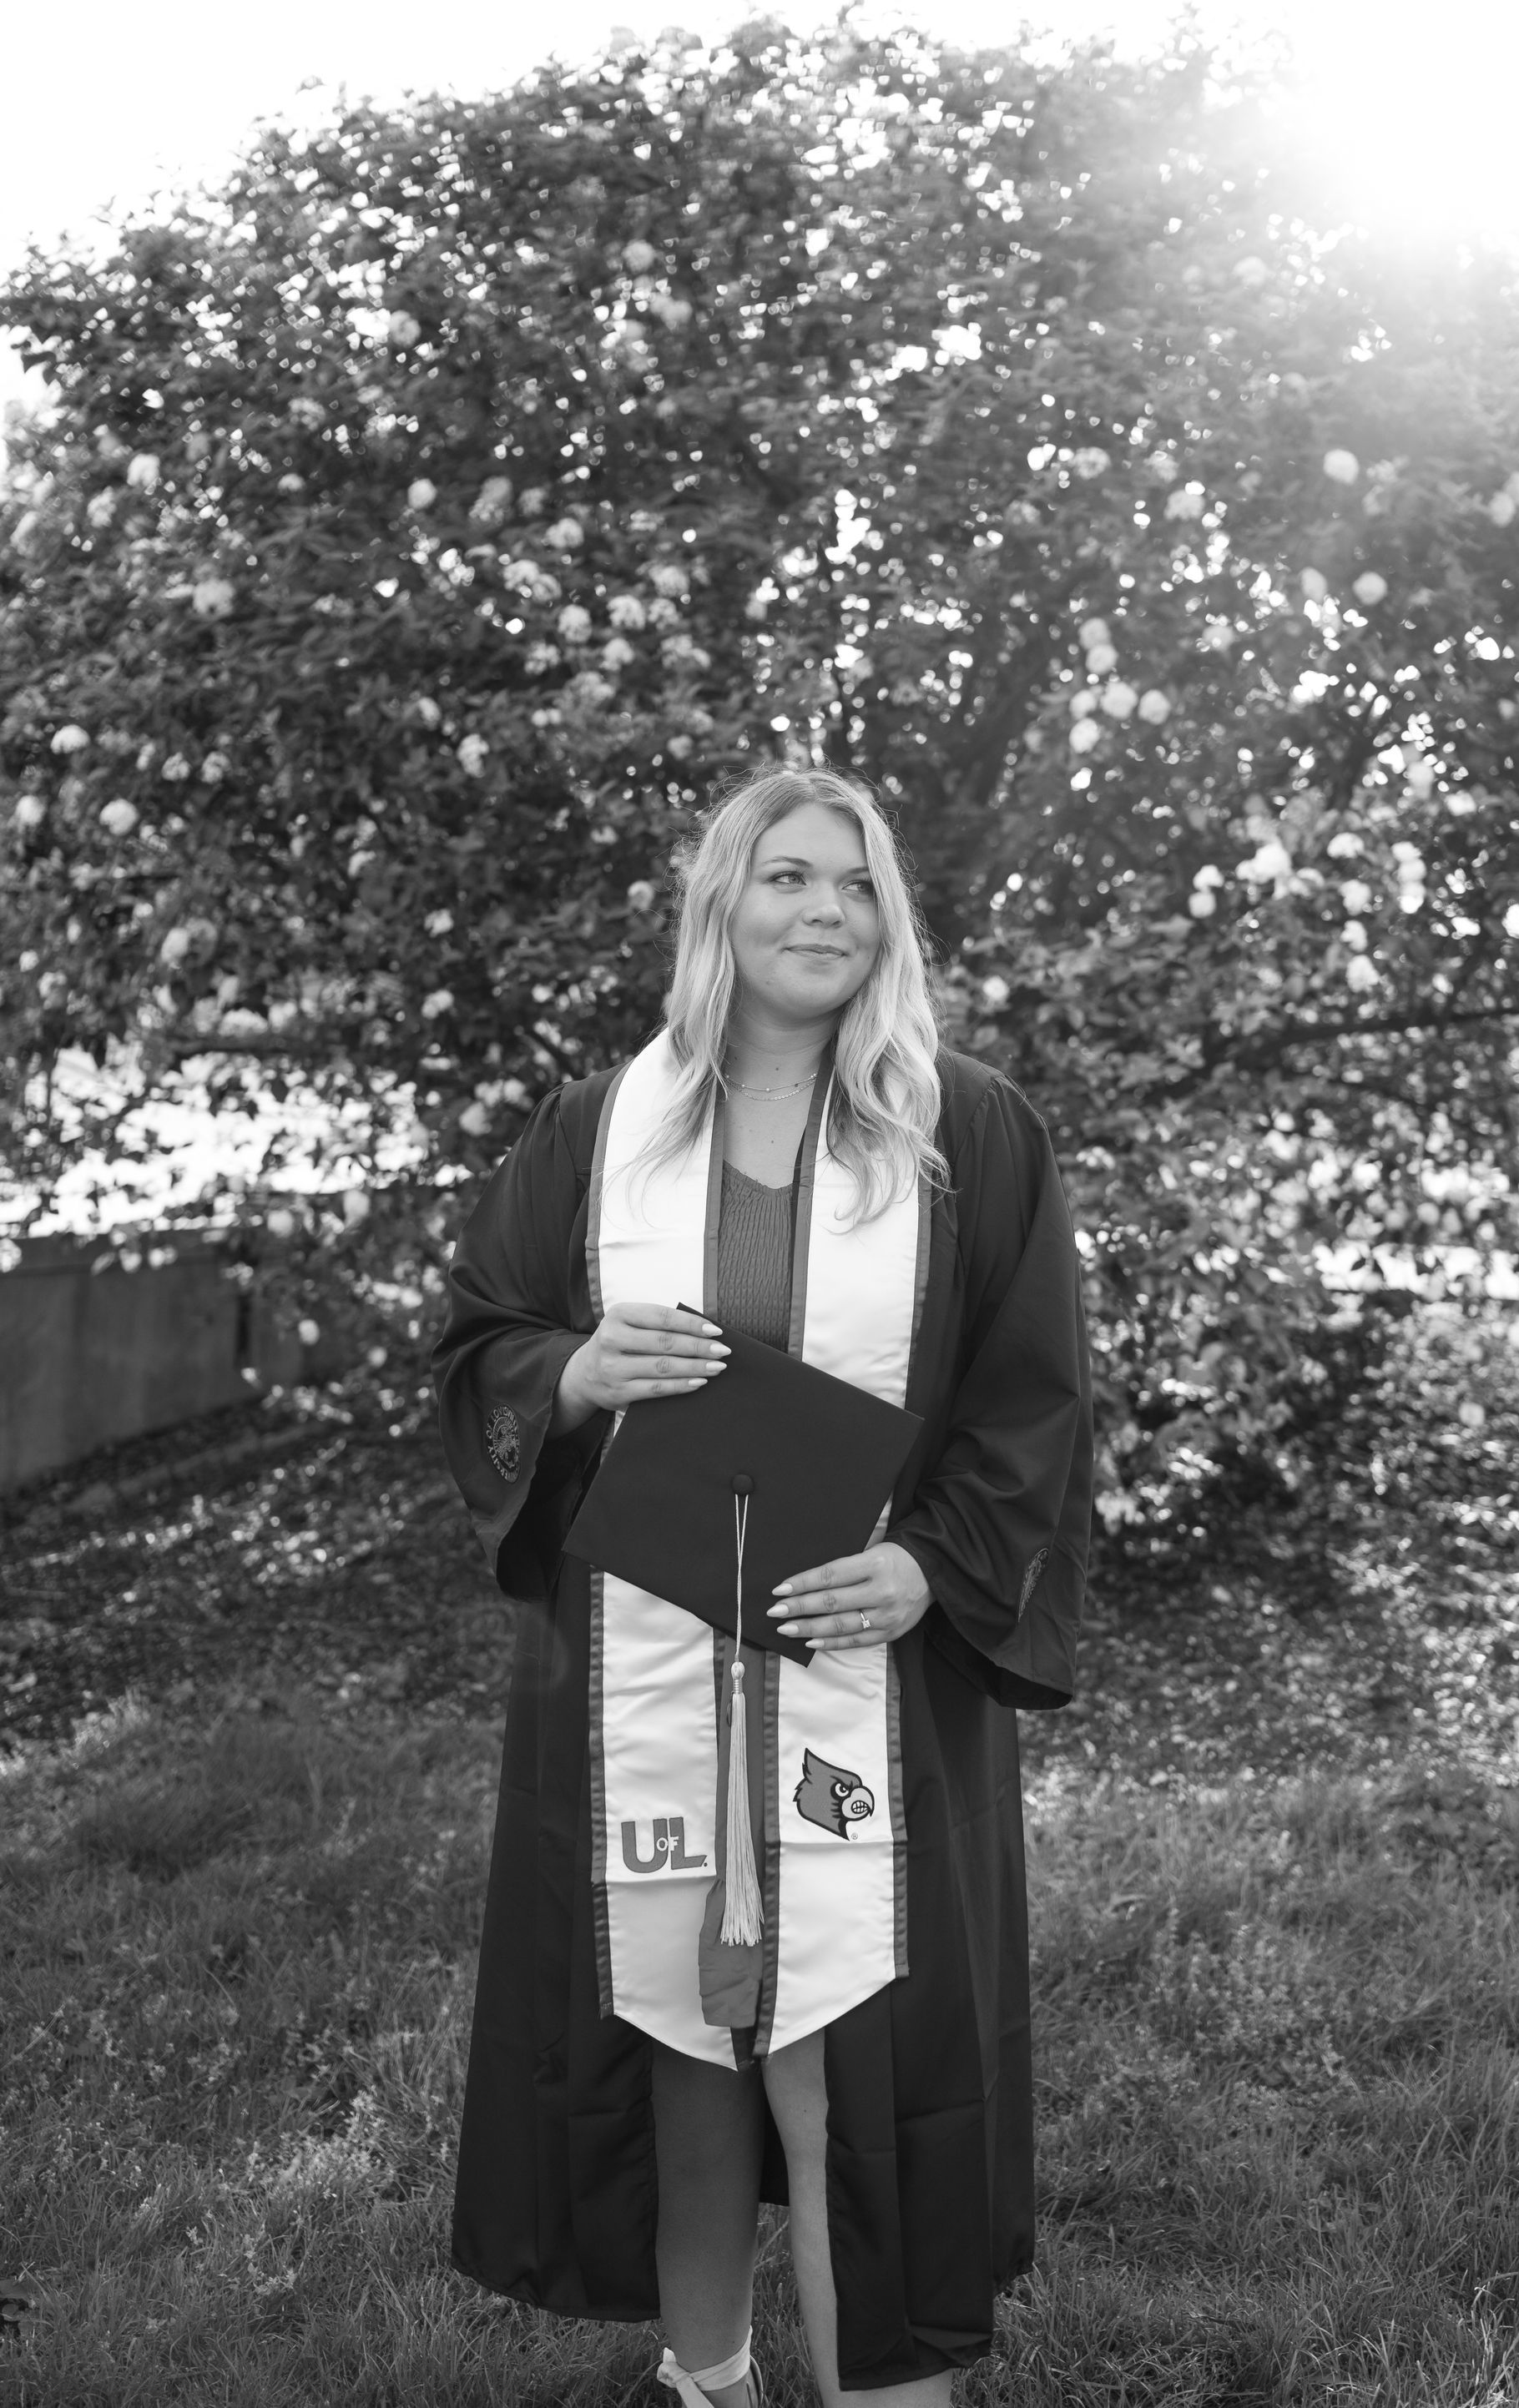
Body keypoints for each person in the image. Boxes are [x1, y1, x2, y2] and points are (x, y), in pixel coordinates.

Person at [433, 766, 1095, 2407]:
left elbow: (1032, 1401)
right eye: (788, 877)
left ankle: (885, 2392)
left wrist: (929, 1568)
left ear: (892, 920)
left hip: (866, 1658)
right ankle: (708, 2374)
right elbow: (483, 1343)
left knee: (843, 2048)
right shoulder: (601, 1131)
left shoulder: (967, 1130)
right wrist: (578, 1371)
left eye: (858, 885)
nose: (825, 912)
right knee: (678, 2034)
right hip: (641, 1660)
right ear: (720, 905)